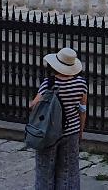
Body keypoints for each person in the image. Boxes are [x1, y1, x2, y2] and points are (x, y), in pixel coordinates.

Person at [31, 46, 87, 190]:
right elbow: (82, 110)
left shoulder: (49, 84)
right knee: (69, 171)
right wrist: (81, 130)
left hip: (49, 131)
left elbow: (34, 105)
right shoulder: (81, 84)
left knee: (45, 170)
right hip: (72, 130)